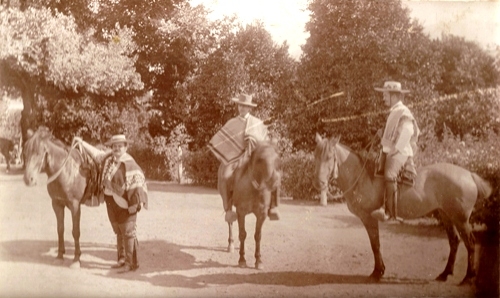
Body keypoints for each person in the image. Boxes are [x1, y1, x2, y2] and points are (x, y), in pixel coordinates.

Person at [74, 134, 148, 273]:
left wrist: (135, 204)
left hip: (126, 203)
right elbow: (96, 154)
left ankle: (130, 263)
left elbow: (137, 184)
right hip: (111, 202)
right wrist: (82, 142)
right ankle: (121, 259)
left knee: (128, 232)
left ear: (126, 147)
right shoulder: (108, 160)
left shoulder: (130, 164)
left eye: (120, 146)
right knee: (119, 231)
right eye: (114, 146)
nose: (117, 149)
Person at [208, 93, 280, 223]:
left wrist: (254, 143)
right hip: (235, 158)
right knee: (224, 176)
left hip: (254, 157)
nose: (242, 108)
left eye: (245, 106)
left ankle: (272, 207)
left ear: (249, 108)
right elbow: (225, 142)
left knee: (273, 174)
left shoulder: (257, 123)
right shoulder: (232, 123)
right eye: (240, 105)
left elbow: (264, 143)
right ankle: (228, 210)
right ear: (238, 106)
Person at [371, 81, 419, 222]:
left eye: (385, 95)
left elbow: (408, 131)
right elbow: (394, 133)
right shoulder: (394, 111)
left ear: (394, 96)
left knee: (390, 175)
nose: (383, 98)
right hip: (391, 151)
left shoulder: (403, 112)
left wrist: (395, 150)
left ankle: (391, 213)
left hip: (400, 152)